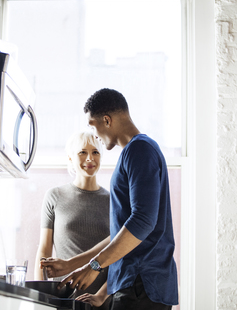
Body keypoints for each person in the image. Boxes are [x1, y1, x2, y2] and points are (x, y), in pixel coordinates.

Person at [42, 88, 178, 310]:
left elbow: (142, 222)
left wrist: (95, 266)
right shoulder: (135, 152)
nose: (94, 135)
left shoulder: (139, 151)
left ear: (106, 120)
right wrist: (74, 265)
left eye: (93, 126)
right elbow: (122, 232)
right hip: (133, 285)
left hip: (141, 285)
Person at [34, 131, 112, 310]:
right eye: (82, 152)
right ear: (70, 158)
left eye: (95, 152)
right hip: (62, 298)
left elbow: (119, 255)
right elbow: (44, 249)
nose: (90, 158)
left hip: (101, 301)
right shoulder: (54, 196)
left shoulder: (113, 202)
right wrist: (39, 299)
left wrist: (103, 294)